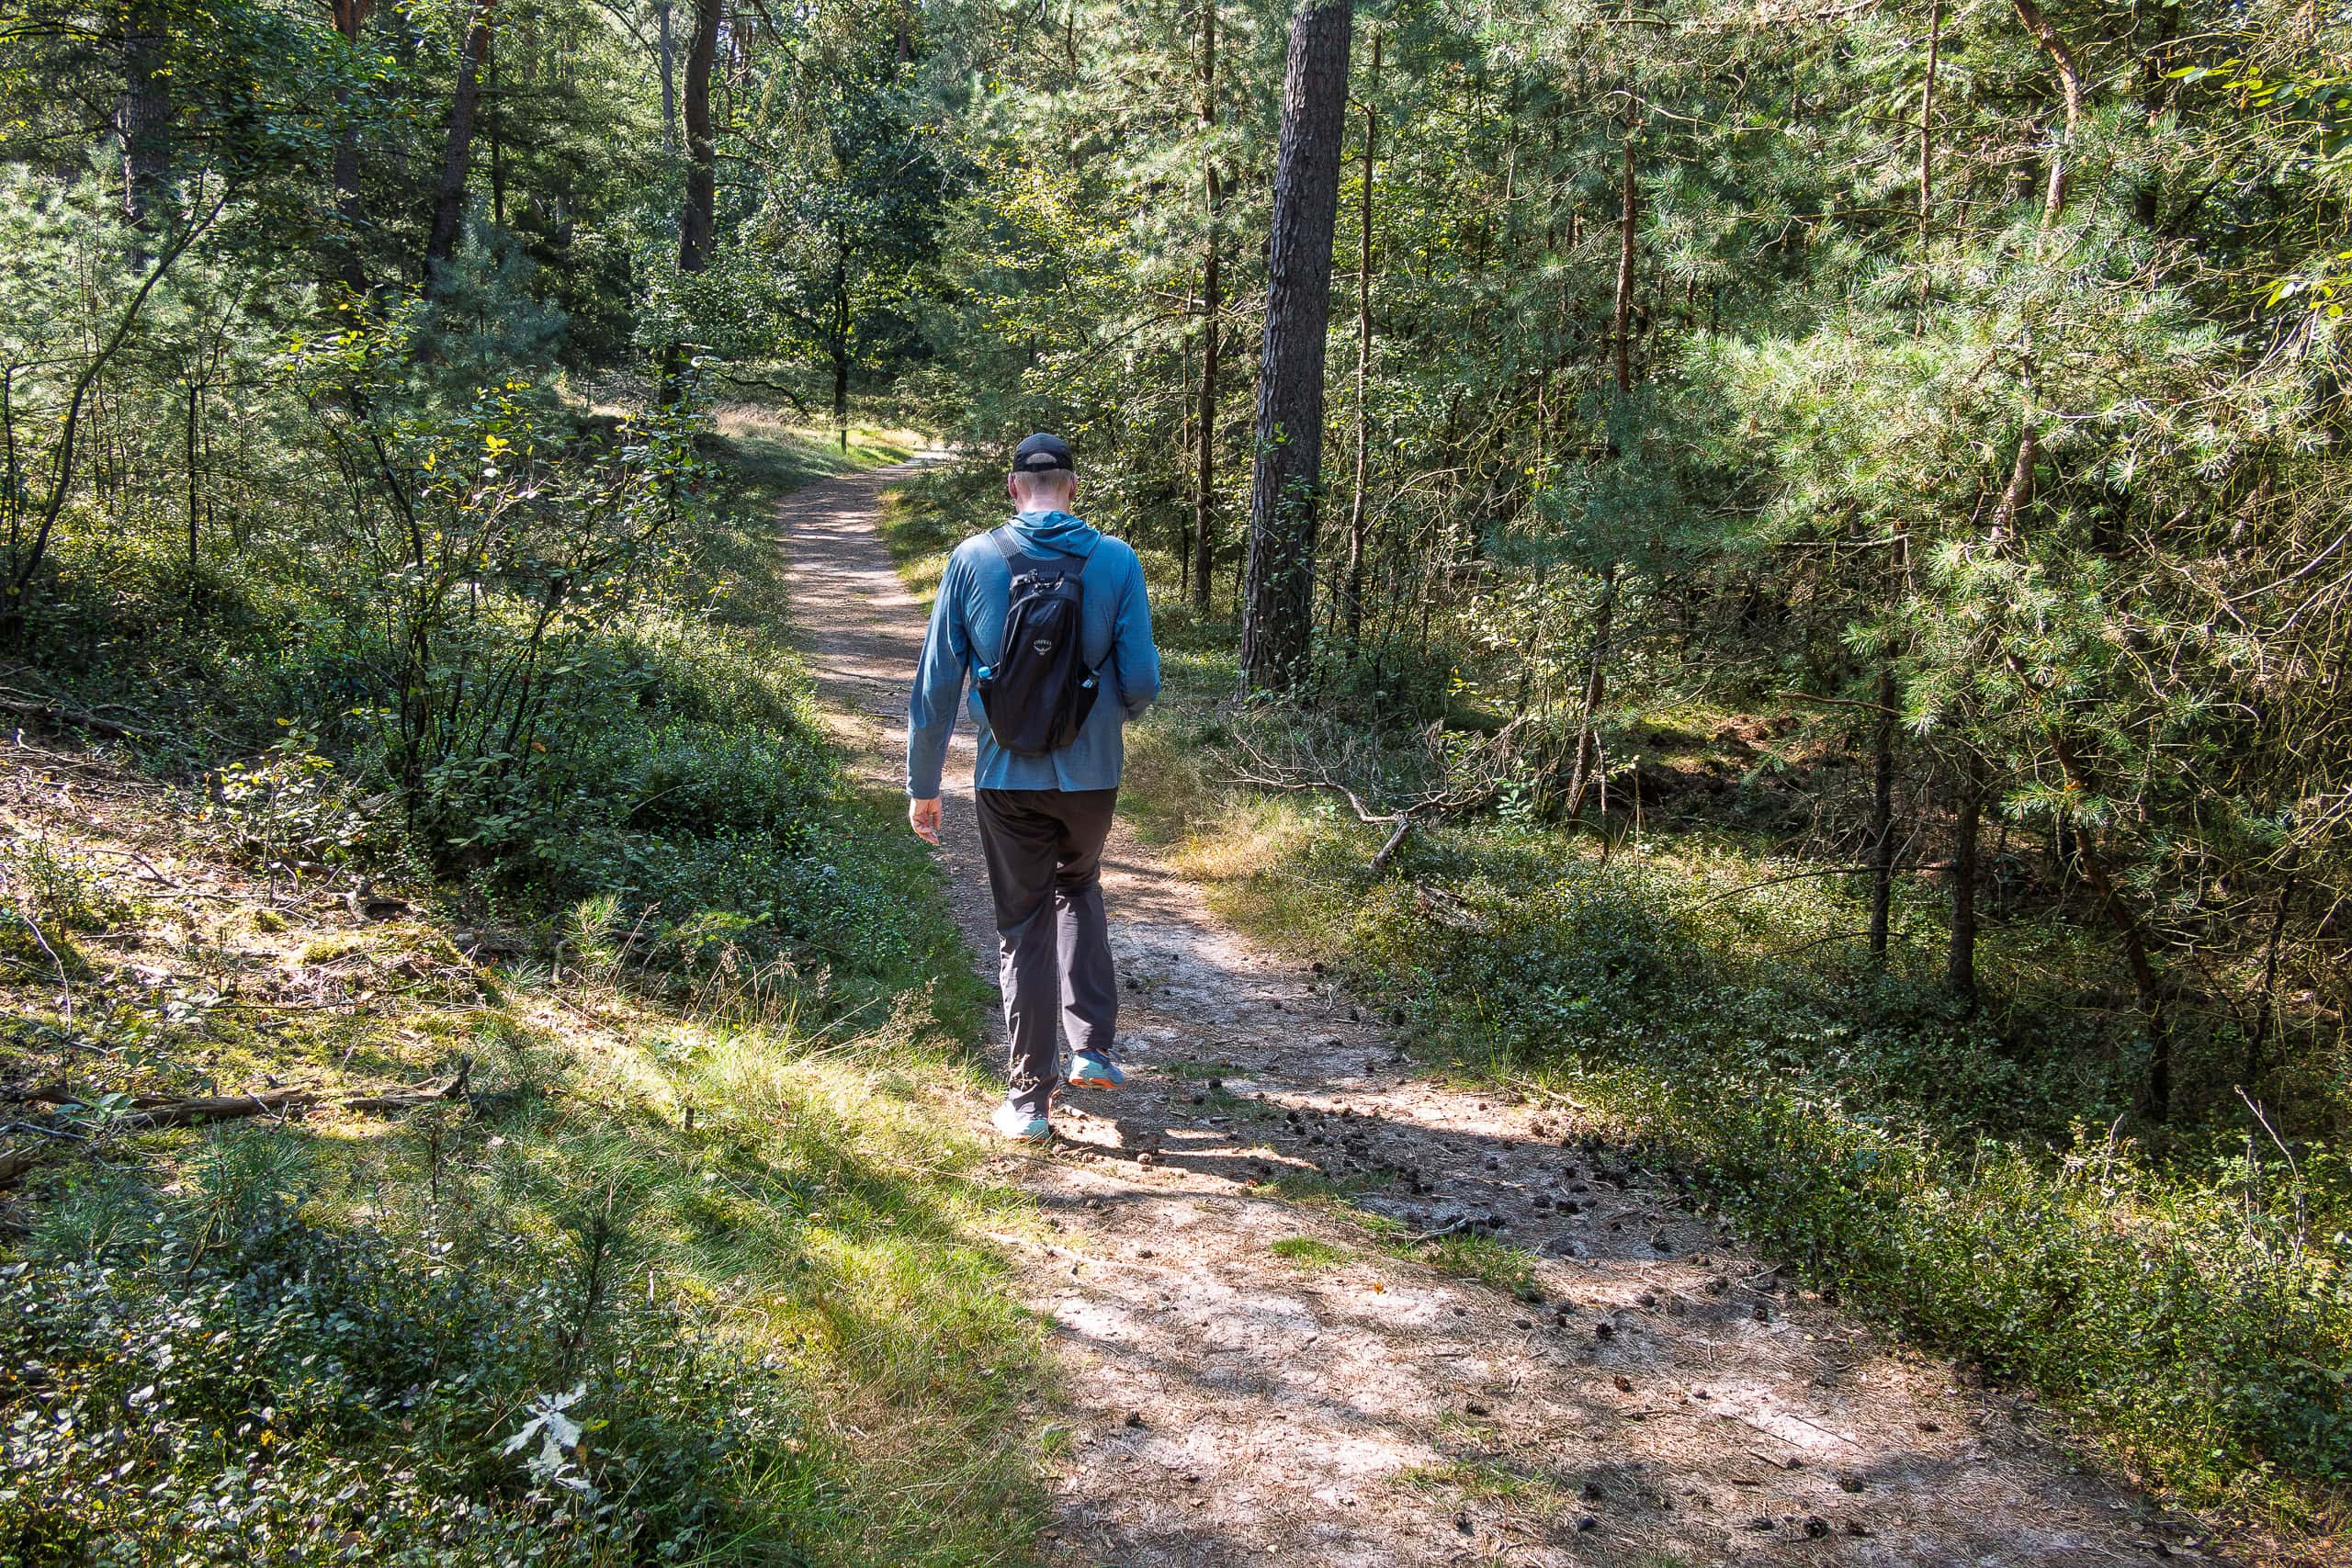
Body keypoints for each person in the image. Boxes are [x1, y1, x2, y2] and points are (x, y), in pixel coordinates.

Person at [906, 433, 1161, 1142]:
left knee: (1023, 925)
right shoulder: (1117, 560)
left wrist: (924, 783)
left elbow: (936, 685)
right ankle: (1093, 1049)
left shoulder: (972, 559)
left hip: (1006, 776)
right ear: (1073, 487)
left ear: (1013, 487)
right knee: (1077, 883)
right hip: (1093, 776)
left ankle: (1028, 1103)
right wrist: (1106, 716)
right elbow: (1143, 679)